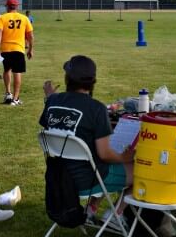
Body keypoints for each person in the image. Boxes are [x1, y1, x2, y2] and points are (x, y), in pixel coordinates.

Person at [39, 55, 135, 212]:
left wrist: (50, 97)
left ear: (67, 78)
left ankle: (91, 209)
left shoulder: (52, 101)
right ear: (92, 81)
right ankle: (115, 215)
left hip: (59, 177)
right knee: (142, 172)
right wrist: (126, 157)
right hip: (89, 179)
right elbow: (105, 154)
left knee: (101, 162)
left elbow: (50, 119)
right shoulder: (96, 108)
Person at [0, 0, 33, 106]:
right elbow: (30, 36)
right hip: (18, 49)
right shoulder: (24, 18)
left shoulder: (2, 18)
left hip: (6, 49)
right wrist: (30, 49)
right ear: (16, 6)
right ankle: (15, 98)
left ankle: (8, 93)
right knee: (17, 72)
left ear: (7, 6)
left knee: (7, 70)